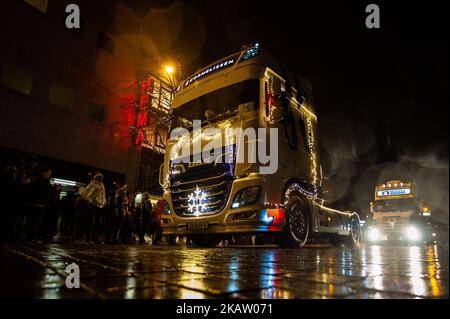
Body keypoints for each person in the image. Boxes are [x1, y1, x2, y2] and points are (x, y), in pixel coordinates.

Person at [23, 167, 53, 241]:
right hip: (38, 205)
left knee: (32, 221)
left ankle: (30, 237)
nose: (49, 174)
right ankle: (31, 237)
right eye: (49, 173)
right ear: (44, 172)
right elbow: (45, 194)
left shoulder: (36, 180)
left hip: (37, 204)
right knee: (35, 222)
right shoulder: (42, 181)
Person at [81, 172, 106, 243]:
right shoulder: (93, 184)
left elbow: (102, 195)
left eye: (102, 177)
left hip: (100, 207)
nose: (101, 178)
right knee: (92, 222)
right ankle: (88, 238)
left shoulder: (102, 185)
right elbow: (85, 195)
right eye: (99, 177)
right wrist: (92, 202)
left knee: (97, 223)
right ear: (96, 177)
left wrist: (104, 202)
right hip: (93, 206)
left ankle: (95, 238)